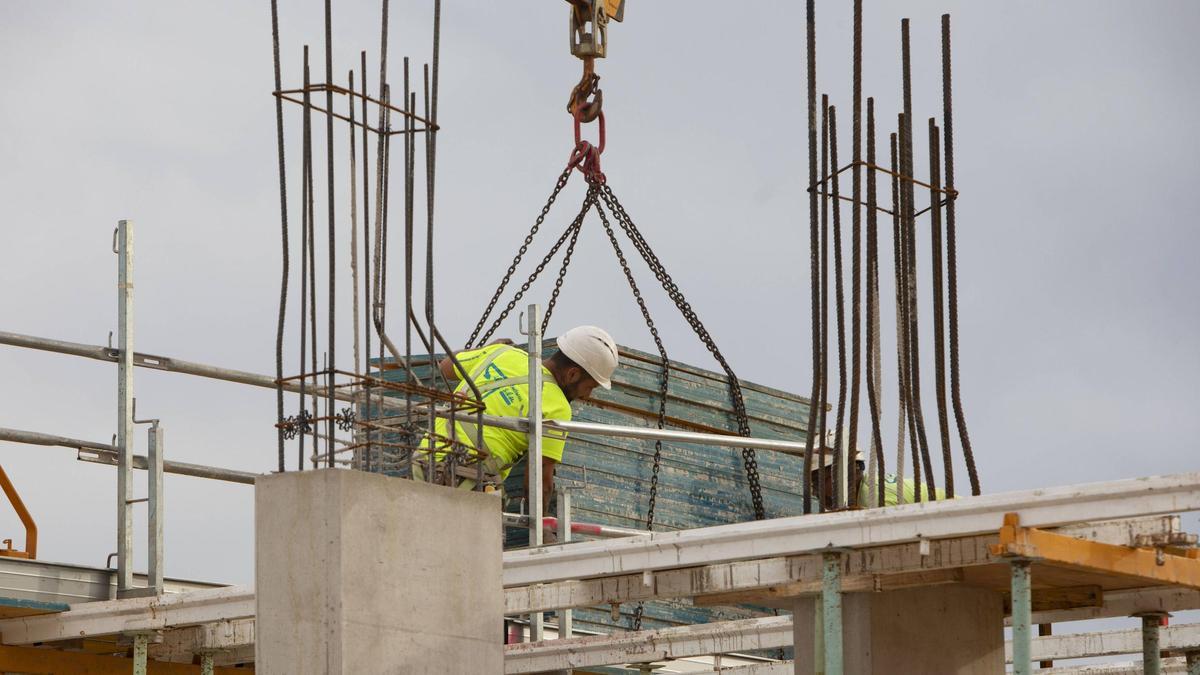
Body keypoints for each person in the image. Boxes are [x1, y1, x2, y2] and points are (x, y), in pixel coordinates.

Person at [415, 325, 619, 499]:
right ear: (572, 374)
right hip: (466, 486)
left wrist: (487, 350)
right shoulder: (557, 407)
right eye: (590, 387)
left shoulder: (502, 353)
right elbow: (539, 481)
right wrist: (543, 532)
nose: (587, 395)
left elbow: (445, 367)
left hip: (422, 464)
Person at [809, 430, 945, 510]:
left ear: (851, 472)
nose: (815, 491)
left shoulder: (876, 498)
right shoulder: (865, 492)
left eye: (819, 481)